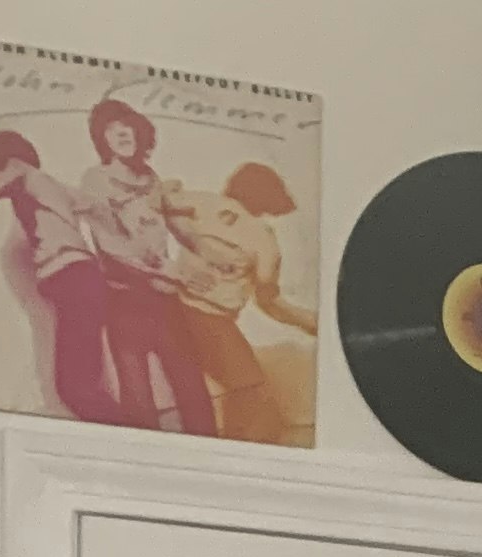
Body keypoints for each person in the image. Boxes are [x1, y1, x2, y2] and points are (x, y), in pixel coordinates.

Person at [0, 127, 126, 426]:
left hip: (70, 276)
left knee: (75, 389)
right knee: (80, 383)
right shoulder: (55, 186)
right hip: (81, 276)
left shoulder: (20, 173)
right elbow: (99, 208)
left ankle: (125, 434)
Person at [75, 98, 214, 434]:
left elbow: (177, 226)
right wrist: (173, 271)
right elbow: (112, 246)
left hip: (165, 297)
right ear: (101, 138)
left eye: (128, 126)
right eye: (111, 129)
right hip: (125, 299)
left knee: (191, 384)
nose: (122, 133)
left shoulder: (152, 179)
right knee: (137, 397)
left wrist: (210, 253)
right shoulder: (95, 179)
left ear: (141, 132)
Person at [170, 159, 316, 445]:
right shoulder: (263, 239)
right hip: (209, 321)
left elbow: (159, 196)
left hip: (172, 309)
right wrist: (308, 321)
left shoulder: (200, 202)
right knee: (257, 403)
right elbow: (269, 302)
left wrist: (171, 187)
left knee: (248, 396)